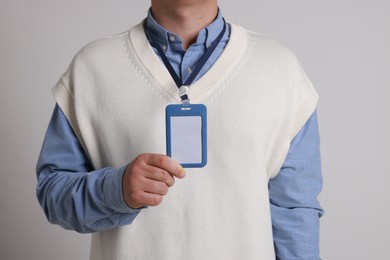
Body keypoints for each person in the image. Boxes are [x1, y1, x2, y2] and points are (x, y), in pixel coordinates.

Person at [36, 0, 324, 259]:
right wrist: (116, 189)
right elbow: (53, 192)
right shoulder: (92, 67)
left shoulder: (280, 70)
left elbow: (295, 213)